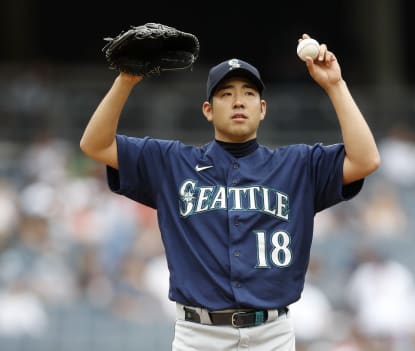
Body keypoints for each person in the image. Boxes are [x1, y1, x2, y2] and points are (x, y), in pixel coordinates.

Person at [79, 33, 381, 351]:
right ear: (208, 110)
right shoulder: (171, 163)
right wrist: (127, 79)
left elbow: (366, 159)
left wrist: (335, 85)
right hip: (199, 336)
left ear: (262, 108)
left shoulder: (298, 165)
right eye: (226, 94)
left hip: (272, 336)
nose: (238, 101)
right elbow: (95, 144)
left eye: (248, 93)